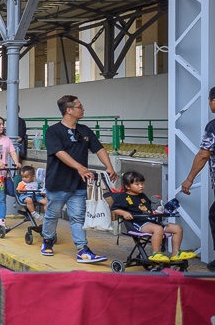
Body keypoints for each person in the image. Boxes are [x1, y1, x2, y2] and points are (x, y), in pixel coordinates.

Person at [41, 94, 118, 262]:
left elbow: (98, 148)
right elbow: (60, 153)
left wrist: (109, 166)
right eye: (79, 107)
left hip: (78, 184)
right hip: (58, 183)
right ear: (69, 110)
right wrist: (80, 168)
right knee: (53, 215)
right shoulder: (53, 131)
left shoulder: (85, 130)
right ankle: (47, 240)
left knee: (77, 217)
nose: (82, 109)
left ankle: (82, 249)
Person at [112, 170, 196, 263]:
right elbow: (114, 209)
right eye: (137, 184)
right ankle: (156, 253)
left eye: (142, 183)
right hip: (139, 223)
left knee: (177, 228)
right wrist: (124, 213)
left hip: (152, 221)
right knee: (158, 229)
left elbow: (150, 207)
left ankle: (175, 253)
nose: (141, 186)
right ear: (127, 186)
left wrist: (157, 206)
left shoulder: (142, 195)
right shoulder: (123, 197)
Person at [178, 85, 215, 271]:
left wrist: (189, 178)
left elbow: (204, 154)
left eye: (209, 101)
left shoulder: (213, 125)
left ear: (214, 101)